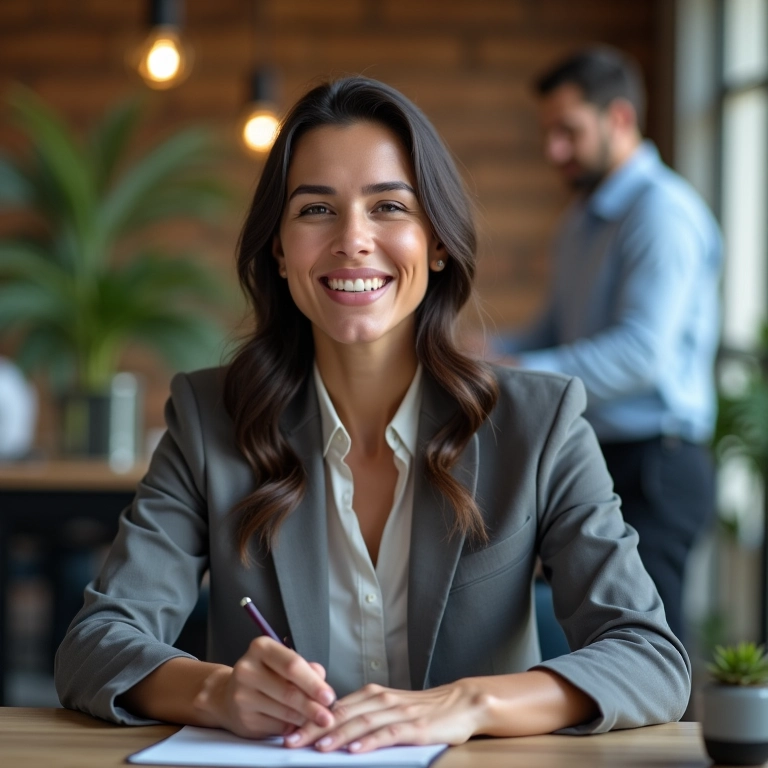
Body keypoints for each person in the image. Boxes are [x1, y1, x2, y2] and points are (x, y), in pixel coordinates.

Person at [55, 76, 690, 752]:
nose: (353, 241)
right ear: (278, 248)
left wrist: (470, 703)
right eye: (315, 210)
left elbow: (649, 656)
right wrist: (216, 691)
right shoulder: (210, 418)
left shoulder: (540, 423)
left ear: (437, 242)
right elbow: (94, 646)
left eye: (389, 206)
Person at [490, 47, 722, 645]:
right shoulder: (579, 220)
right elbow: (552, 334)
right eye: (547, 133)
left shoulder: (662, 213)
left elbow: (642, 354)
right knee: (593, 642)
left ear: (619, 118)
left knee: (649, 649)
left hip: (658, 465)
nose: (553, 151)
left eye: (568, 131)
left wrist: (518, 375)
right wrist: (477, 354)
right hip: (602, 454)